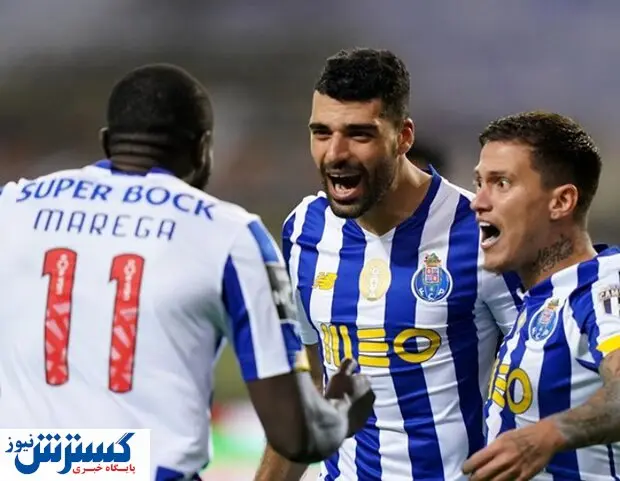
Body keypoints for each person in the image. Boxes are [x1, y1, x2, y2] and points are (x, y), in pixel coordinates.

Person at [0, 64, 374, 481]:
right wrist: (342, 406)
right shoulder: (229, 235)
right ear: (203, 149)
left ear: (107, 144)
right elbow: (295, 435)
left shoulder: (11, 206)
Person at [254, 48, 522, 481]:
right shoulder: (304, 230)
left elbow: (542, 380)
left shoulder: (481, 232)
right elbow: (312, 390)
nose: (335, 153)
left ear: (403, 137)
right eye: (321, 133)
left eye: (359, 134)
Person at [462, 111, 620, 481]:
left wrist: (546, 436)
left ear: (561, 202)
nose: (477, 201)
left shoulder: (602, 286)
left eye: (501, 183)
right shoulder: (541, 298)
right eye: (479, 182)